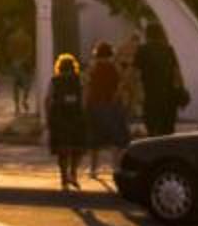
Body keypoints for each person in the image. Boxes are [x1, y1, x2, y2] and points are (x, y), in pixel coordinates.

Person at [83, 41, 131, 181]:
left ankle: (93, 169)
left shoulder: (93, 69)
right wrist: (118, 98)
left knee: (94, 140)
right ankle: (115, 167)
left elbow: (87, 88)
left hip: (95, 105)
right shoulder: (114, 68)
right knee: (116, 138)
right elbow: (121, 85)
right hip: (113, 105)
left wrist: (84, 105)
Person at [44, 52, 88, 190]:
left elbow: (48, 99)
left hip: (59, 117)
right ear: (73, 66)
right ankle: (73, 173)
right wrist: (85, 115)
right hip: (76, 117)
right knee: (77, 148)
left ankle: (64, 179)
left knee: (62, 150)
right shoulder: (79, 80)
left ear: (59, 67)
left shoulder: (54, 80)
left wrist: (48, 117)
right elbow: (84, 99)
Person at [135, 27, 188, 139]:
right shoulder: (169, 50)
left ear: (147, 35)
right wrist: (182, 90)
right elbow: (177, 74)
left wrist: (135, 93)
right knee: (168, 132)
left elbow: (134, 73)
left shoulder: (142, 50)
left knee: (153, 132)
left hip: (151, 97)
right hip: (169, 98)